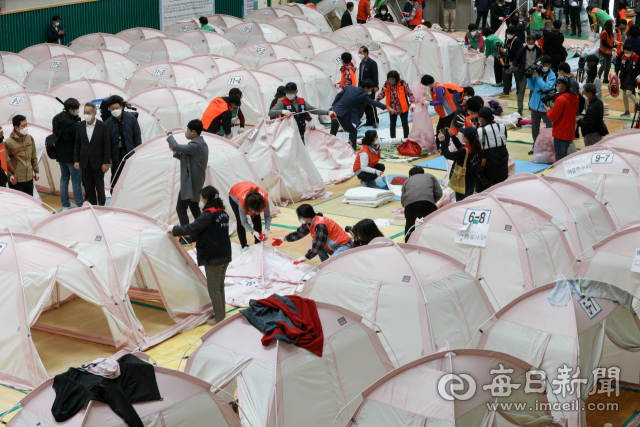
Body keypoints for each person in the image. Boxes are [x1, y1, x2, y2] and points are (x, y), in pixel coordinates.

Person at [169, 186, 231, 326]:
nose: (200, 200)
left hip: (214, 256)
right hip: (225, 253)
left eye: (201, 197)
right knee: (219, 285)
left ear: (206, 198)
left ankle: (219, 318)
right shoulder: (222, 213)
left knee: (213, 287)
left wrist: (173, 229)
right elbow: (209, 231)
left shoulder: (208, 214)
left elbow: (192, 228)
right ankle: (221, 313)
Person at [167, 120, 209, 237]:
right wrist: (175, 152)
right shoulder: (200, 143)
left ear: (194, 132)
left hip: (191, 183)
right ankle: (200, 233)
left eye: (188, 130)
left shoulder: (196, 144)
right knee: (194, 207)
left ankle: (187, 236)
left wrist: (170, 135)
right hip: (196, 181)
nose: (187, 133)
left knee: (181, 208)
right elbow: (187, 159)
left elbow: (176, 145)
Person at [271, 204, 353, 264]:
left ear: (305, 217)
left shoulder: (320, 225)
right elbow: (300, 233)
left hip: (344, 246)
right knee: (314, 242)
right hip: (333, 247)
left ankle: (328, 266)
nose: (300, 219)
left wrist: (305, 257)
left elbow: (319, 245)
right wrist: (283, 239)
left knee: (331, 263)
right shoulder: (309, 222)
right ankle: (325, 265)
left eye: (300, 217)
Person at [330, 80, 395, 150]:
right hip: (341, 115)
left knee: (333, 130)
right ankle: (352, 150)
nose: (371, 91)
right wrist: (388, 108)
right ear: (365, 88)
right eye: (370, 89)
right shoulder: (362, 95)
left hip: (334, 112)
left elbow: (338, 95)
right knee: (353, 131)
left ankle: (330, 145)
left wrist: (333, 106)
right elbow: (373, 102)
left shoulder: (350, 87)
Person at [74, 103, 110, 206]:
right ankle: (93, 205)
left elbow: (107, 146)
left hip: (98, 162)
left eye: (88, 112)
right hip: (85, 161)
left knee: (99, 185)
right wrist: (76, 160)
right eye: (84, 112)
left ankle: (102, 205)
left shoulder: (103, 126)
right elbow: (77, 144)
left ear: (94, 113)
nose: (86, 114)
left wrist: (106, 162)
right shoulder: (80, 125)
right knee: (89, 186)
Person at [106, 95, 142, 191]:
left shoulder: (131, 119)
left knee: (130, 177)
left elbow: (137, 136)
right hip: (116, 155)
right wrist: (108, 157)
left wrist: (137, 152)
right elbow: (107, 142)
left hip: (130, 152)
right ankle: (114, 198)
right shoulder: (108, 123)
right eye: (112, 108)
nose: (114, 110)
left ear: (121, 106)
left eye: (116, 108)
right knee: (115, 178)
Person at [53, 98, 82, 210]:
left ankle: (65, 204)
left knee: (64, 180)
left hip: (60, 154)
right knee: (76, 182)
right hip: (73, 157)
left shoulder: (56, 118)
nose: (77, 111)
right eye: (76, 109)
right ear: (71, 110)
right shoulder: (74, 124)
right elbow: (77, 142)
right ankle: (79, 205)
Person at [439, 127, 481, 201]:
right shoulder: (475, 147)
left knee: (461, 204)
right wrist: (452, 136)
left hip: (462, 184)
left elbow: (448, 155)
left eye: (463, 135)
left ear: (466, 139)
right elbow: (461, 147)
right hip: (471, 181)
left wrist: (442, 141)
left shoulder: (464, 152)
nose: (462, 136)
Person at [400, 166, 442, 241]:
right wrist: (432, 201)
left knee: (409, 226)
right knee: (432, 224)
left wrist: (408, 208)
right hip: (427, 203)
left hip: (410, 205)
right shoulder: (430, 176)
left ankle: (408, 245)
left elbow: (403, 200)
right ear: (423, 173)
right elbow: (439, 193)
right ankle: (434, 242)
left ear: (410, 176)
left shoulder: (406, 181)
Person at [545, 75, 579, 161]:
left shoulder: (561, 100)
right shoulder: (575, 97)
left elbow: (553, 117)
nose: (556, 87)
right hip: (570, 132)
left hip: (561, 134)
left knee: (560, 160)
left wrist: (548, 110)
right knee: (568, 159)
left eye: (557, 84)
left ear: (562, 85)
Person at [229, 181, 272, 249]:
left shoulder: (265, 199)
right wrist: (254, 232)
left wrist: (267, 229)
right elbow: (244, 222)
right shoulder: (242, 202)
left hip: (248, 190)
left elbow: (268, 216)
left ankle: (258, 243)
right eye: (252, 210)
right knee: (240, 221)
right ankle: (243, 245)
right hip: (234, 194)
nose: (254, 212)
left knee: (257, 218)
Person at [476, 107, 509, 192]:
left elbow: (476, 147)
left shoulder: (480, 130)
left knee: (482, 192)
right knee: (500, 191)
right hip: (503, 164)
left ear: (482, 119)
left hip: (488, 167)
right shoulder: (502, 126)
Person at [527, 55, 556, 152]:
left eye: (546, 65)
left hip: (545, 107)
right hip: (534, 105)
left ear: (550, 65)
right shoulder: (538, 72)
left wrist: (537, 77)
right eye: (543, 64)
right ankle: (535, 146)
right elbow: (531, 87)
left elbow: (546, 88)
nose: (544, 66)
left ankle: (549, 147)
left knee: (549, 128)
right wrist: (529, 77)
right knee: (534, 128)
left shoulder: (552, 76)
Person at [4, 115, 38, 196]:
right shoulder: (8, 142)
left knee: (29, 204)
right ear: (16, 128)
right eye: (23, 126)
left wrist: (36, 171)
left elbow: (33, 156)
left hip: (29, 179)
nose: (26, 127)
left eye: (26, 125)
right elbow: (5, 161)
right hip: (17, 180)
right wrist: (10, 176)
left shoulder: (29, 138)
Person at [376, 70, 415, 138]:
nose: (391, 81)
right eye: (389, 79)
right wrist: (377, 99)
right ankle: (393, 139)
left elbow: (409, 93)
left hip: (402, 108)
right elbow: (382, 93)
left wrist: (412, 102)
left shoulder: (402, 84)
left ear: (396, 79)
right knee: (392, 124)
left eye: (392, 79)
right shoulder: (386, 84)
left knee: (405, 124)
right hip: (392, 108)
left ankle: (406, 139)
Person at [421, 74, 455, 150]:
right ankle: (436, 147)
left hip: (448, 112)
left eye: (425, 85)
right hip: (443, 113)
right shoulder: (432, 89)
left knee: (446, 131)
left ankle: (445, 149)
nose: (425, 87)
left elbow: (440, 101)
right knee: (439, 129)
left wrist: (430, 103)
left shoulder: (438, 88)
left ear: (429, 84)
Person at [512, 36, 542, 115]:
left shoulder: (538, 51)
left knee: (532, 90)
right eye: (529, 43)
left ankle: (531, 105)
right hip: (523, 72)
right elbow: (516, 59)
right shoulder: (522, 50)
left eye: (532, 43)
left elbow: (541, 61)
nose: (530, 45)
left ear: (535, 42)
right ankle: (520, 108)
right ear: (526, 42)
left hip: (534, 73)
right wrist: (513, 65)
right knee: (521, 91)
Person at [615, 43, 640, 116]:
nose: (626, 54)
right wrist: (615, 72)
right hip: (624, 78)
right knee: (624, 95)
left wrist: (639, 75)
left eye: (627, 52)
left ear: (631, 51)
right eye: (625, 52)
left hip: (632, 79)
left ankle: (637, 105)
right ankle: (627, 111)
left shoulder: (637, 58)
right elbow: (619, 66)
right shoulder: (623, 57)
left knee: (628, 93)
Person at [499, 26, 524, 96]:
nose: (509, 35)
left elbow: (515, 52)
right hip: (507, 61)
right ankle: (506, 90)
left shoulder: (517, 41)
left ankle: (519, 91)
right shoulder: (506, 39)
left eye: (510, 33)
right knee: (505, 75)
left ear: (514, 34)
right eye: (508, 33)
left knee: (517, 78)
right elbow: (506, 49)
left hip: (516, 62)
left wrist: (505, 50)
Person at [358, 46, 380, 127]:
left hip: (370, 87)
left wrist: (376, 86)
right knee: (365, 104)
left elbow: (375, 75)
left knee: (371, 103)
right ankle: (368, 120)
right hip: (363, 87)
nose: (359, 54)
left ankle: (375, 120)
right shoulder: (361, 63)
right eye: (359, 53)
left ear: (366, 53)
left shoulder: (372, 63)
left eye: (361, 53)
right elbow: (360, 76)